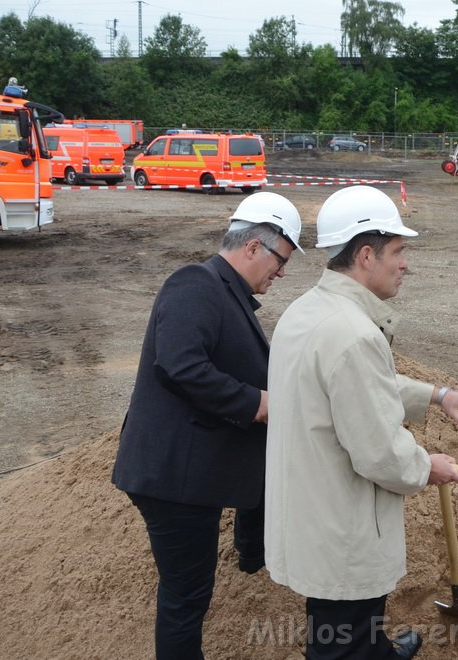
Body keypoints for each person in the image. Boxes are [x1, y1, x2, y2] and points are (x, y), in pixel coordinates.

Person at [265, 185, 458, 660]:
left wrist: (436, 395)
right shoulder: (353, 334)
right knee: (342, 640)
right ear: (366, 254)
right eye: (398, 252)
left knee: (342, 628)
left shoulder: (307, 312)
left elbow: (357, 389)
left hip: (312, 513)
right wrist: (428, 466)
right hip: (342, 524)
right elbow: (379, 451)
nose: (405, 264)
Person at [111, 192, 303, 659]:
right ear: (255, 247)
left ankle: (249, 551)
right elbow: (180, 366)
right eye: (281, 259)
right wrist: (256, 403)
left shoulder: (225, 293)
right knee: (185, 596)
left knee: (188, 593)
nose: (282, 272)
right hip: (174, 480)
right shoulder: (195, 283)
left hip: (192, 476)